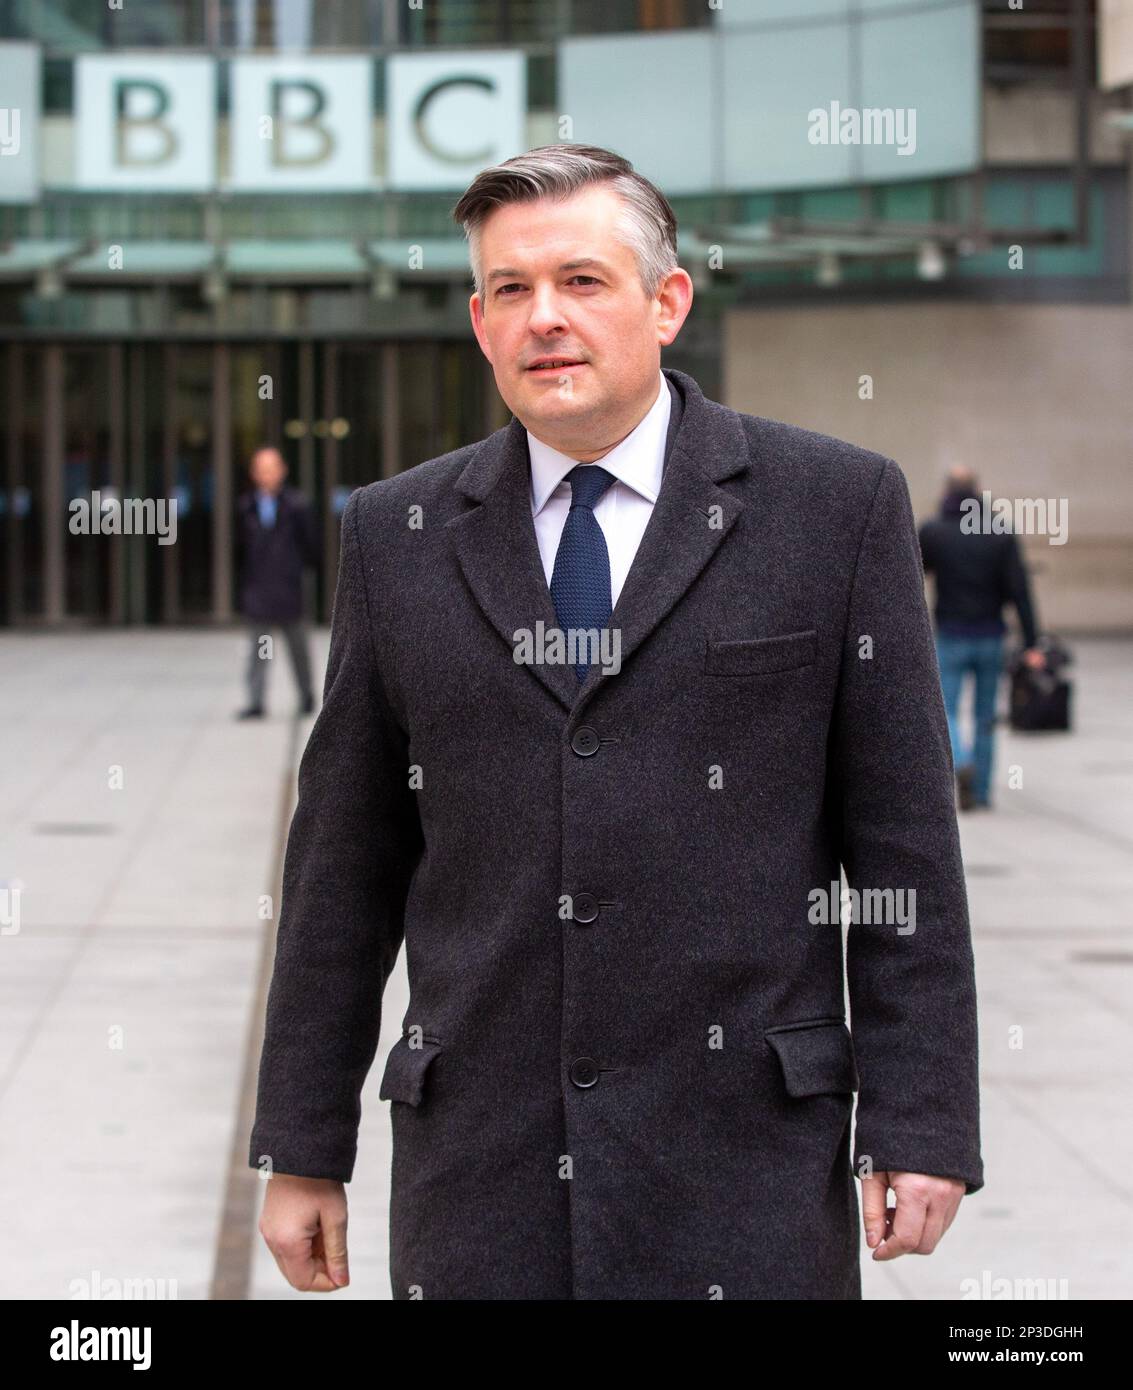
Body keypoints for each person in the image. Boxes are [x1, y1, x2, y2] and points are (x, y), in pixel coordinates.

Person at [250, 144, 983, 1301]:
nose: (544, 317)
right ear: (479, 321)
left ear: (666, 301)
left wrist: (924, 1116)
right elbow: (343, 864)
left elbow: (903, 850)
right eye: (509, 289)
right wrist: (302, 1144)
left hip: (741, 1171)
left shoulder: (834, 509)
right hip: (479, 1182)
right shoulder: (395, 536)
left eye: (582, 281)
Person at [919, 466, 1045, 810]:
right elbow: (1020, 591)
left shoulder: (934, 532)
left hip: (951, 635)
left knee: (946, 709)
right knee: (986, 714)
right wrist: (1032, 642)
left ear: (947, 492)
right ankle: (984, 791)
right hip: (991, 636)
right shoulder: (1000, 533)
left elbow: (911, 576)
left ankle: (961, 763)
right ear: (977, 493)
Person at [234, 446, 320, 720]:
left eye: (272, 468)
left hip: (289, 587)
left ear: (282, 470)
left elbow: (312, 548)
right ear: (254, 474)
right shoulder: (246, 506)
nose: (267, 475)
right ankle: (256, 700)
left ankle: (307, 695)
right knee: (258, 650)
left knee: (298, 649)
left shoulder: (297, 505)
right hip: (258, 587)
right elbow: (238, 549)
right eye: (262, 469)